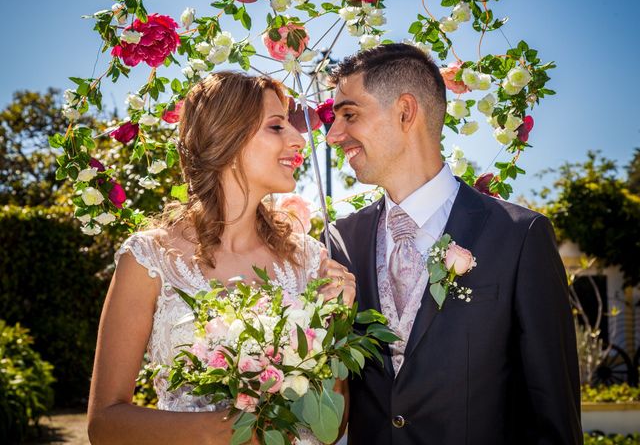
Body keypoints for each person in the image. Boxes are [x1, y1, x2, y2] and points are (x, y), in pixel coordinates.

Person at [326, 43, 582, 444]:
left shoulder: (519, 237)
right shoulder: (339, 243)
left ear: (406, 112)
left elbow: (552, 414)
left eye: (349, 115)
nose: (332, 135)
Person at [87, 71, 355, 444]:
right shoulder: (149, 259)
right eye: (277, 127)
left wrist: (335, 320)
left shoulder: (309, 260)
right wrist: (220, 431)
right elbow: (104, 424)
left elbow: (334, 424)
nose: (298, 139)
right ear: (228, 137)